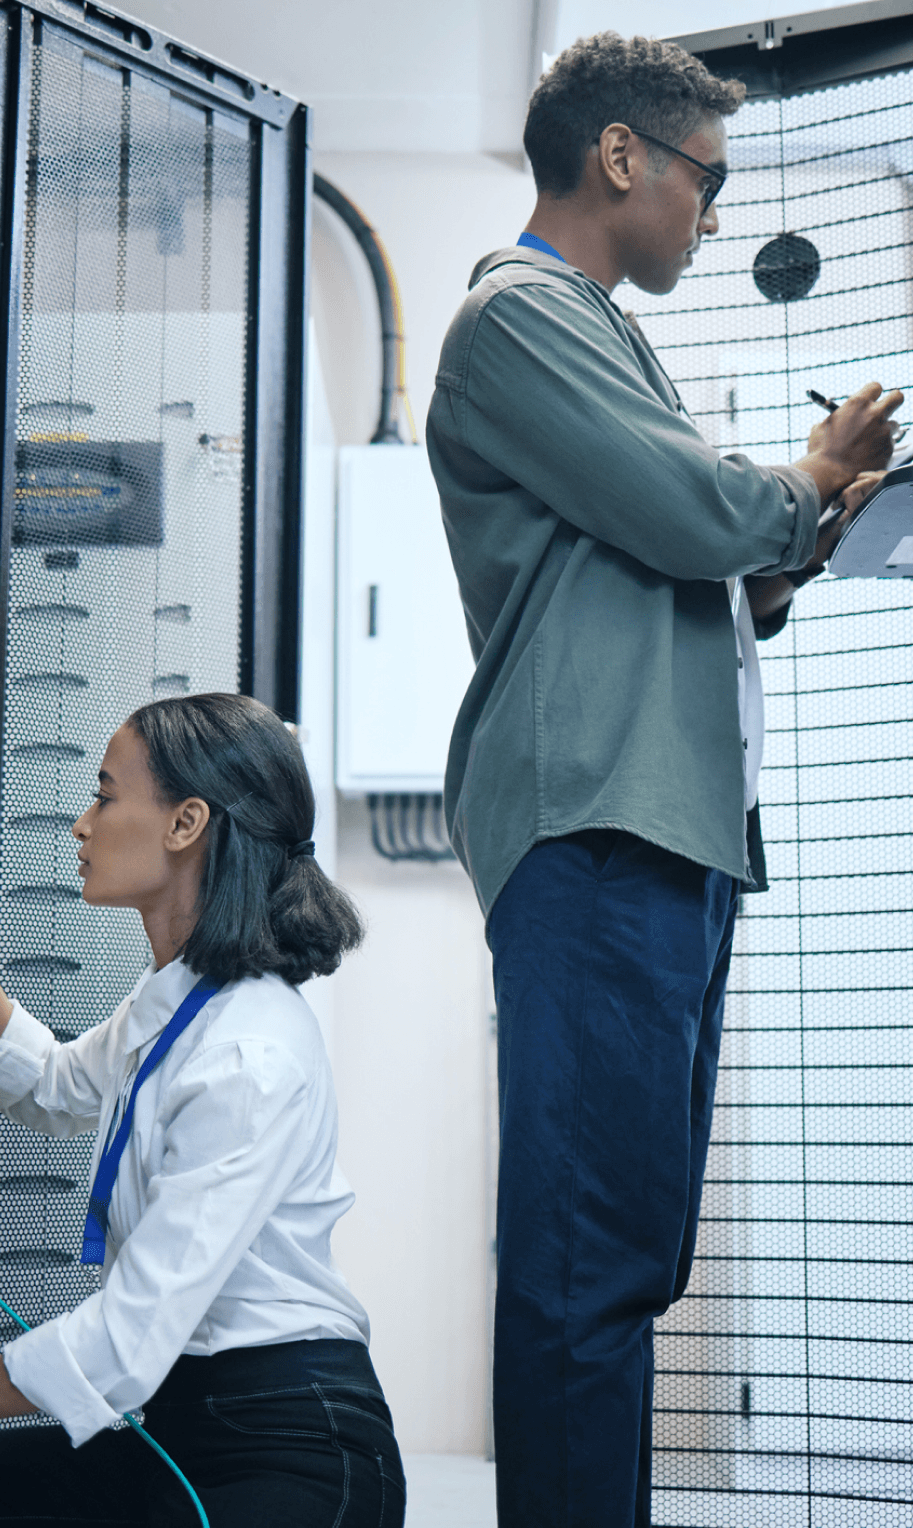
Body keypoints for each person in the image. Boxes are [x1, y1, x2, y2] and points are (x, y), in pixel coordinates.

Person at [425, 31, 901, 1528]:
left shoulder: (601, 336)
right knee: (584, 1265)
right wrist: (805, 485)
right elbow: (691, 510)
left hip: (663, 830)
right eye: (704, 177)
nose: (710, 209)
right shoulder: (517, 316)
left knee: (624, 1258)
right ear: (617, 155)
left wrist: (796, 543)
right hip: (598, 828)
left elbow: (685, 560)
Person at [0, 693, 405, 1528]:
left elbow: (122, 1340)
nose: (81, 823)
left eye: (105, 795)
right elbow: (58, 1085)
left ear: (186, 824)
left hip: (291, 1444)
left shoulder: (248, 1053)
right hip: (178, 1429)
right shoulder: (180, 999)